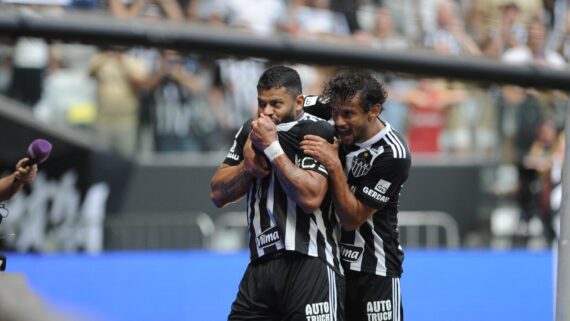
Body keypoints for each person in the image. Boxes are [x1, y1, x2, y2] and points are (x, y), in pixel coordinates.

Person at [210, 65, 345, 321]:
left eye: (276, 104)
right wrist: (247, 168)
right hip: (260, 266)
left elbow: (310, 197)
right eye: (262, 103)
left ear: (298, 102)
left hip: (309, 262)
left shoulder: (317, 131)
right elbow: (217, 193)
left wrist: (271, 147)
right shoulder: (250, 132)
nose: (267, 111)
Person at [301, 70, 411, 321]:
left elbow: (353, 217)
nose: (338, 121)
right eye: (335, 113)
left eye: (348, 114)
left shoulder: (392, 154)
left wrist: (334, 164)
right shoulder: (335, 106)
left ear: (374, 110)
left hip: (375, 269)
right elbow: (284, 105)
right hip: (331, 266)